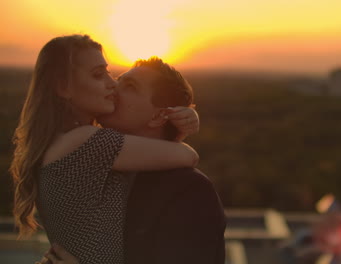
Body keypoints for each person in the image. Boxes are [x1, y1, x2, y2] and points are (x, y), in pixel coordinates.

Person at [10, 34, 200, 264]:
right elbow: (186, 155)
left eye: (109, 73)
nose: (112, 83)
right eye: (98, 75)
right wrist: (181, 123)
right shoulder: (85, 143)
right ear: (63, 87)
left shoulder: (64, 142)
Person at [41, 57, 226, 264]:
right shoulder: (97, 172)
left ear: (158, 117)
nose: (113, 87)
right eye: (119, 79)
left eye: (129, 86)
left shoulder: (189, 189)